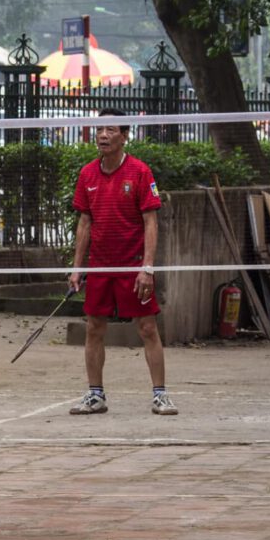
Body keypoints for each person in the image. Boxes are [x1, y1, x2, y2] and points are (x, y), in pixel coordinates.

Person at [68, 108, 177, 416]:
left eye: (111, 130)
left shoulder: (140, 172)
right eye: (100, 130)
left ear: (124, 136)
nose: (103, 135)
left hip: (132, 265)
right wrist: (77, 267)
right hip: (100, 265)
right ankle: (95, 395)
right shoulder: (88, 174)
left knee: (147, 327)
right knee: (94, 327)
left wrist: (147, 268)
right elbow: (85, 222)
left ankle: (160, 395)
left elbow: (151, 222)